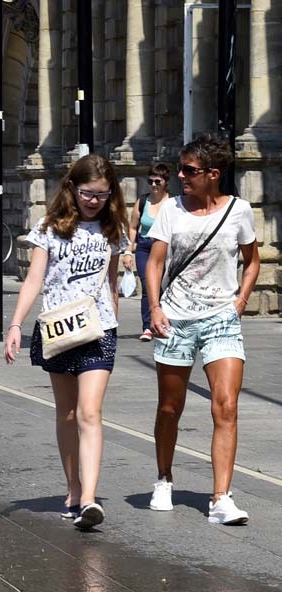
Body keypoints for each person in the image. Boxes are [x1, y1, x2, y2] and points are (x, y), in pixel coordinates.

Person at [4, 154, 126, 530]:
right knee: (68, 413)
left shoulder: (112, 229)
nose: (94, 201)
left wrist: (115, 319)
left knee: (90, 412)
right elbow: (35, 279)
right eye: (88, 193)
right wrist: (15, 325)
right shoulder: (50, 228)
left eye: (103, 195)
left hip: (98, 330)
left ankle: (89, 498)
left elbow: (111, 280)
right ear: (72, 187)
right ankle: (72, 488)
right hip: (57, 328)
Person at [144, 134, 259, 525]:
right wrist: (155, 308)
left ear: (213, 174)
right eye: (181, 169)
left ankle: (220, 498)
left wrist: (241, 299)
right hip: (176, 318)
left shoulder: (240, 210)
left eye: (189, 170)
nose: (181, 176)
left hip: (220, 319)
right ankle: (163, 478)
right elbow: (154, 264)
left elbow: (252, 260)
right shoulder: (171, 211)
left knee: (226, 405)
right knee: (169, 408)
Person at [123, 163, 172, 341]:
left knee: (165, 286)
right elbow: (133, 227)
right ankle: (148, 326)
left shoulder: (173, 203)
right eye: (150, 181)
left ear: (166, 182)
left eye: (157, 181)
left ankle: (166, 322)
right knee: (148, 286)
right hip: (144, 247)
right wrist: (128, 251)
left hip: (166, 248)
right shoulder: (143, 201)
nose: (153, 185)